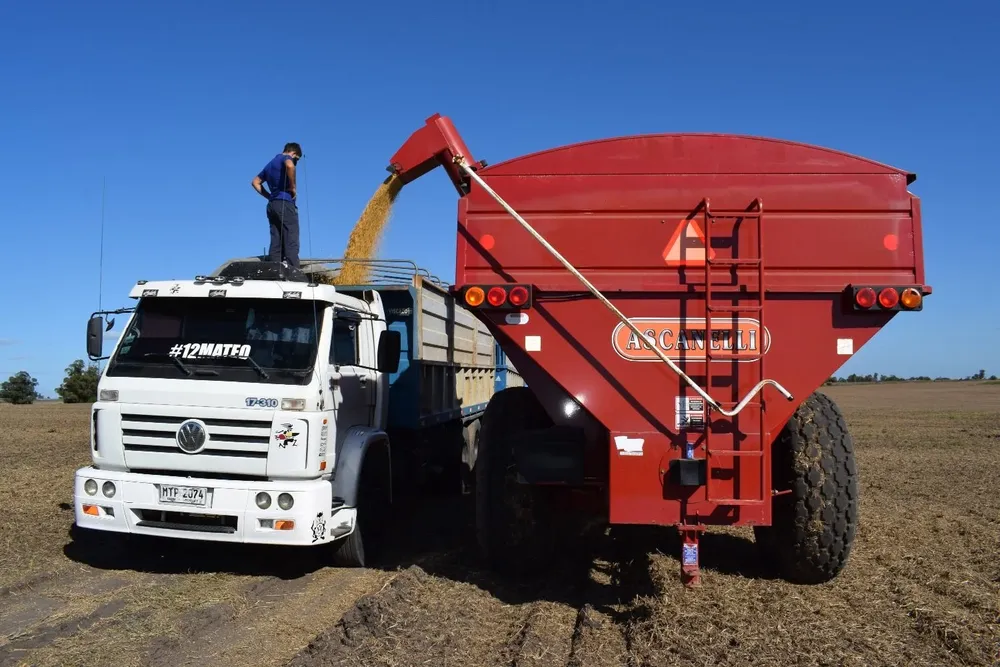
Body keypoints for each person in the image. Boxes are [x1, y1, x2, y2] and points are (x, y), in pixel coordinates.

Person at [251, 143, 303, 268]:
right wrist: (293, 187)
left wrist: (269, 196)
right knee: (291, 238)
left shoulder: (271, 163)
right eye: (297, 159)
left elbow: (255, 182)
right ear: (293, 153)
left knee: (276, 240)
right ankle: (293, 271)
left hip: (272, 205)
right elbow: (290, 166)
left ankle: (275, 269)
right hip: (285, 204)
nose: (295, 162)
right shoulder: (286, 158)